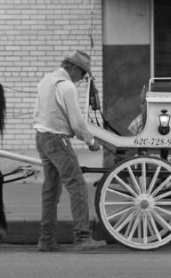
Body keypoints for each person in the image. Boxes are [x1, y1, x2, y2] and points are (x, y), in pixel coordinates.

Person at [33, 50, 106, 252]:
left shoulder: (46, 80)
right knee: (78, 187)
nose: (82, 79)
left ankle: (46, 240)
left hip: (41, 136)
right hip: (57, 139)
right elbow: (76, 122)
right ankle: (82, 238)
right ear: (73, 68)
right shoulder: (67, 87)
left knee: (50, 190)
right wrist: (91, 141)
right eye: (82, 74)